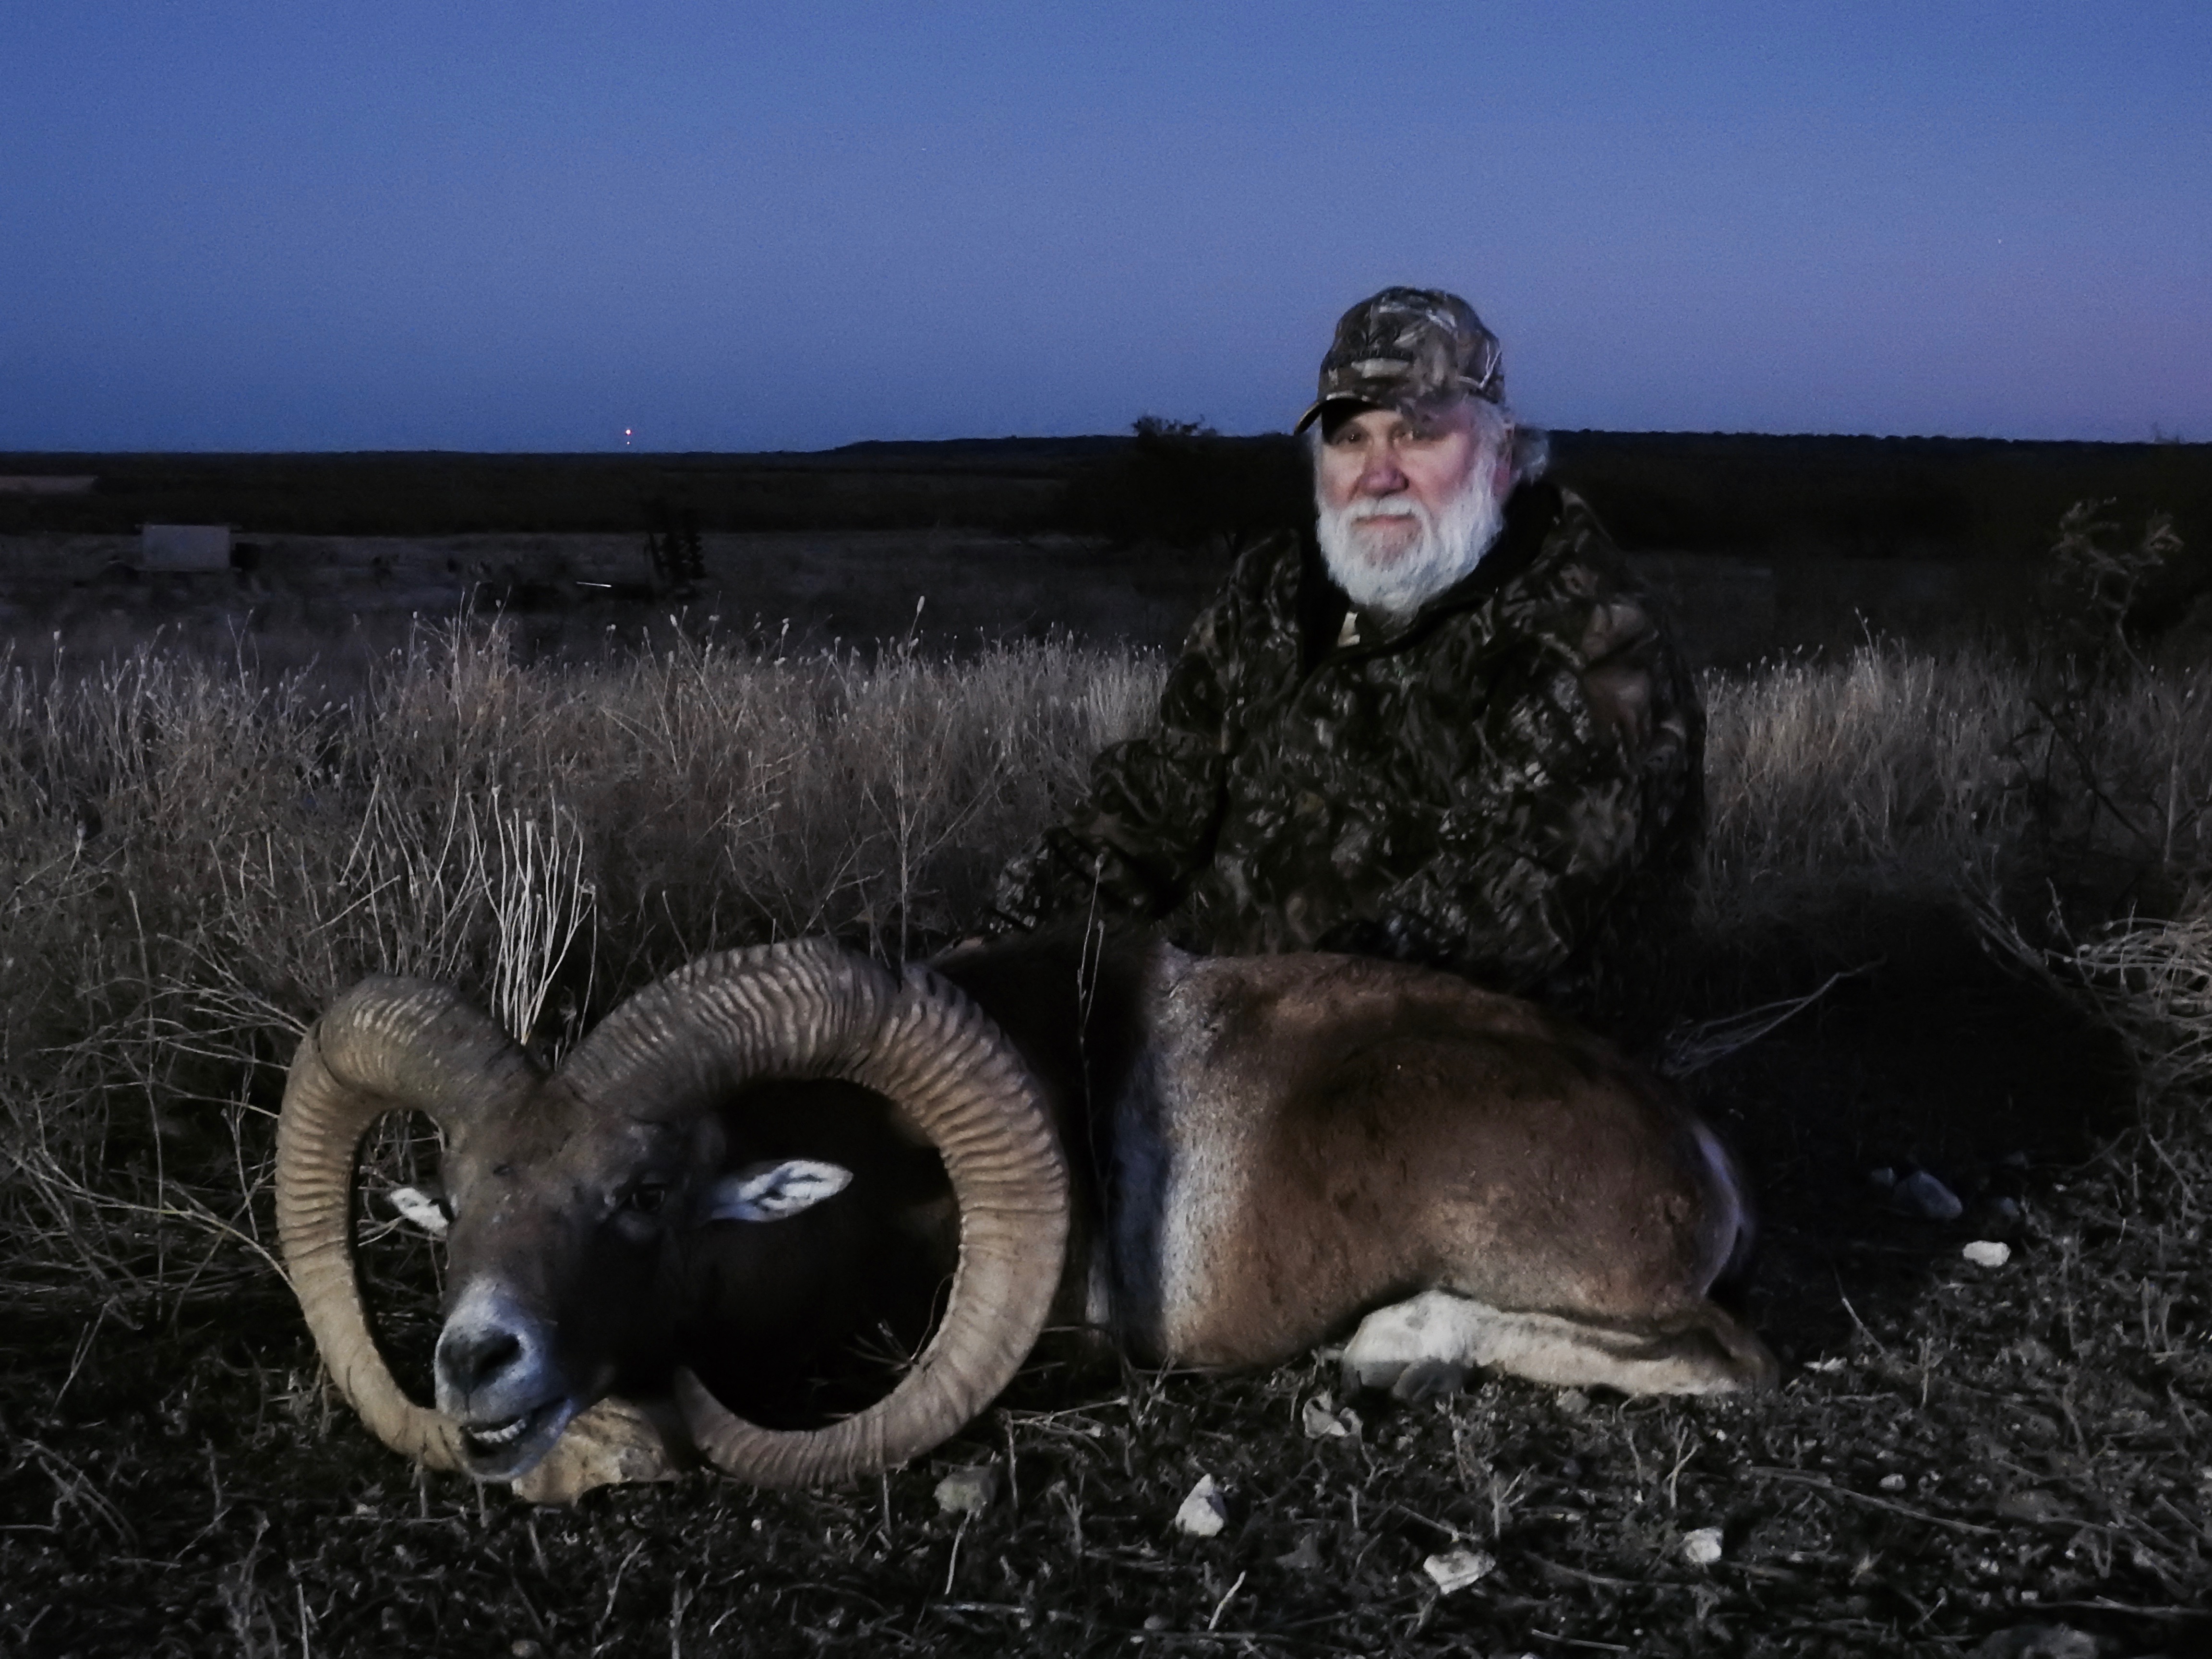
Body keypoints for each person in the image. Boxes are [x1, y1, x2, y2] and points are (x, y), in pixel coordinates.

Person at [992, 287, 1701, 1010]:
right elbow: (1158, 805)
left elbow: (1519, 896)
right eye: (1349, 437)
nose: (1378, 473)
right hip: (1259, 1038)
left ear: (1503, 454)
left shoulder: (1594, 632)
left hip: (1495, 1064)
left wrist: (1253, 1012)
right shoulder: (1272, 590)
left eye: (1418, 432)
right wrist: (997, 945)